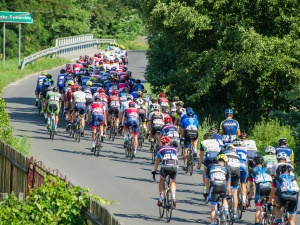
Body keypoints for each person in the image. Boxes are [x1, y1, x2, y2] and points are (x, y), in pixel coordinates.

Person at [152, 136, 178, 208]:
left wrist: (154, 171)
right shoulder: (174, 149)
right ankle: (173, 198)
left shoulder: (160, 149)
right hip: (174, 166)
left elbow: (157, 162)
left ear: (161, 142)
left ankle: (160, 199)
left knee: (161, 180)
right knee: (173, 181)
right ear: (169, 142)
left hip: (165, 166)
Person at [206, 154, 231, 225]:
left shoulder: (210, 166)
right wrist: (229, 193)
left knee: (213, 207)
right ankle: (226, 211)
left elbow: (206, 180)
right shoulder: (226, 168)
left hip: (214, 185)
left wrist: (207, 192)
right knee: (224, 197)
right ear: (225, 162)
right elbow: (228, 183)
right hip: (223, 185)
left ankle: (213, 223)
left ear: (217, 161)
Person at [248, 156, 273, 225]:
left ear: (254, 163)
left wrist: (251, 194)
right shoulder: (267, 170)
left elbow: (250, 184)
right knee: (271, 201)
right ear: (262, 163)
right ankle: (271, 213)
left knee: (258, 209)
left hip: (260, 189)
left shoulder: (252, 170)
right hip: (270, 187)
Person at [220, 145, 240, 221]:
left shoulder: (224, 152)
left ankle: (226, 210)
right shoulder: (237, 155)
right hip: (237, 171)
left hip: (228, 170)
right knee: (234, 193)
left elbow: (220, 162)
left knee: (225, 190)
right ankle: (234, 213)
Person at [232, 138, 248, 210]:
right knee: (243, 183)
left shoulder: (232, 149)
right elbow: (246, 159)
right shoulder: (244, 149)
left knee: (233, 184)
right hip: (244, 167)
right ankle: (244, 202)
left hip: (236, 167)